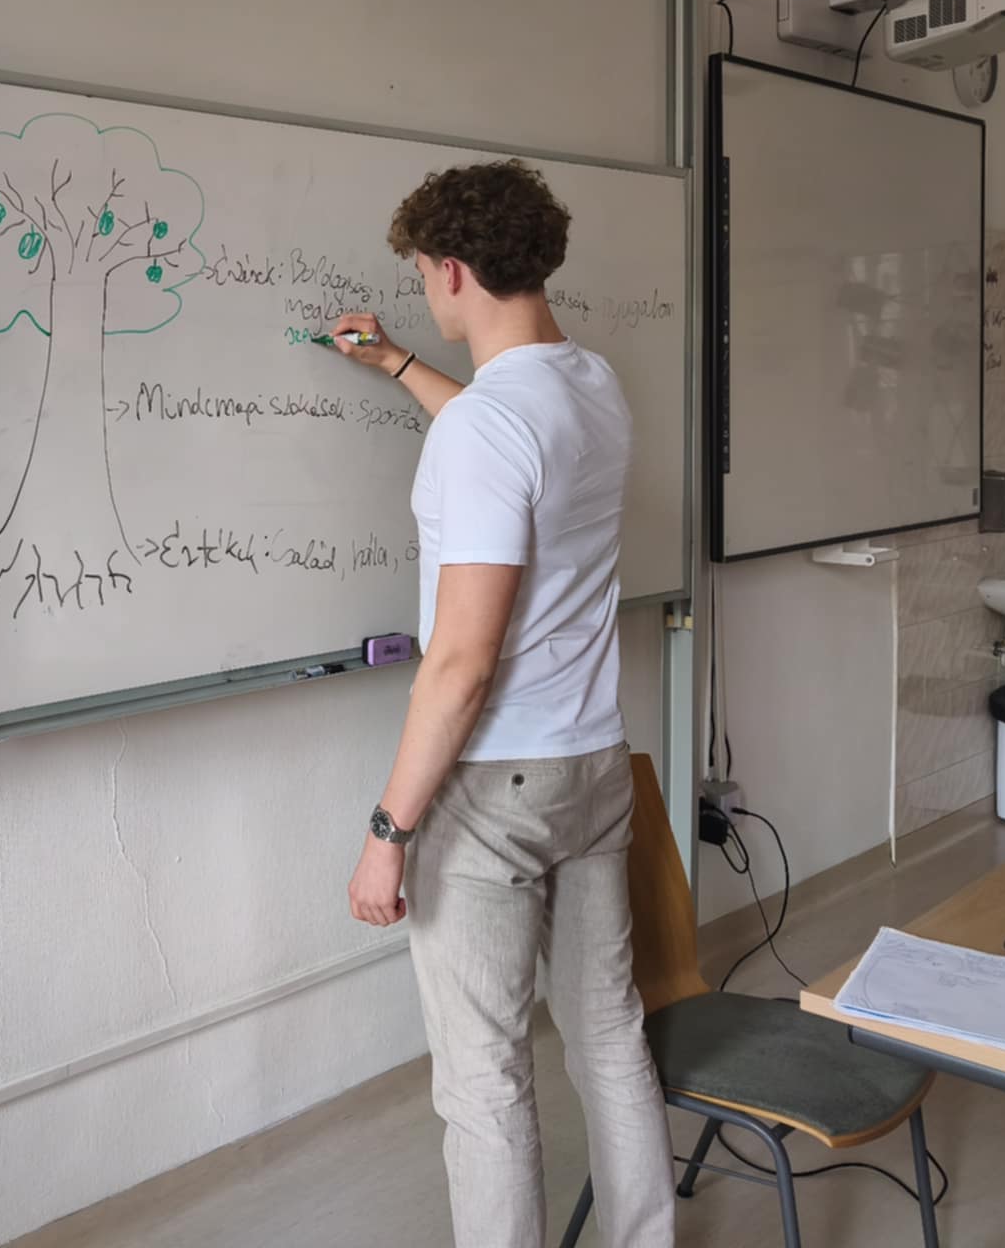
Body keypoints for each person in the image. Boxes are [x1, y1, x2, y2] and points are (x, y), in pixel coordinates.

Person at [328, 159, 673, 1248]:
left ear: (451, 270)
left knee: (482, 1080)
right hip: (593, 764)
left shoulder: (484, 431)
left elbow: (461, 665)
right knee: (608, 1035)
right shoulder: (590, 385)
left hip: (493, 785)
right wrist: (399, 366)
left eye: (421, 273)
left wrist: (387, 831)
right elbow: (500, 439)